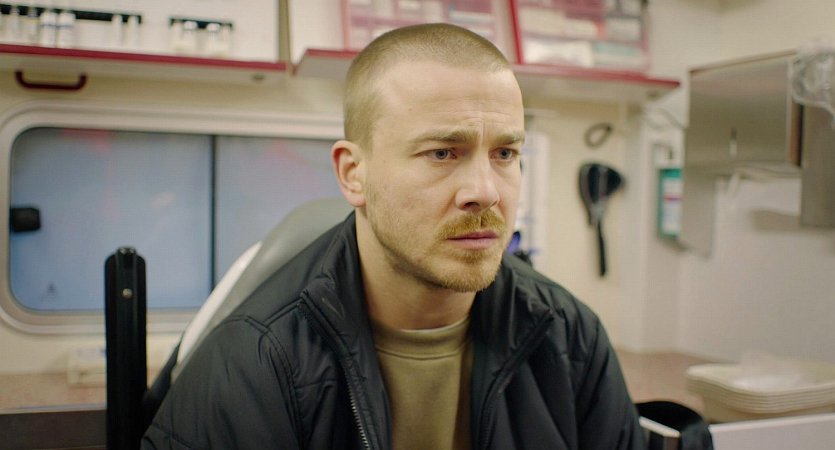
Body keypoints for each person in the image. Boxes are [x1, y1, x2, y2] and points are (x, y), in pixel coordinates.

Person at [143, 23, 645, 449]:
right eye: (442, 153)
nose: (485, 192)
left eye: (505, 154)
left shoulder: (569, 337)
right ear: (353, 174)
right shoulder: (253, 365)